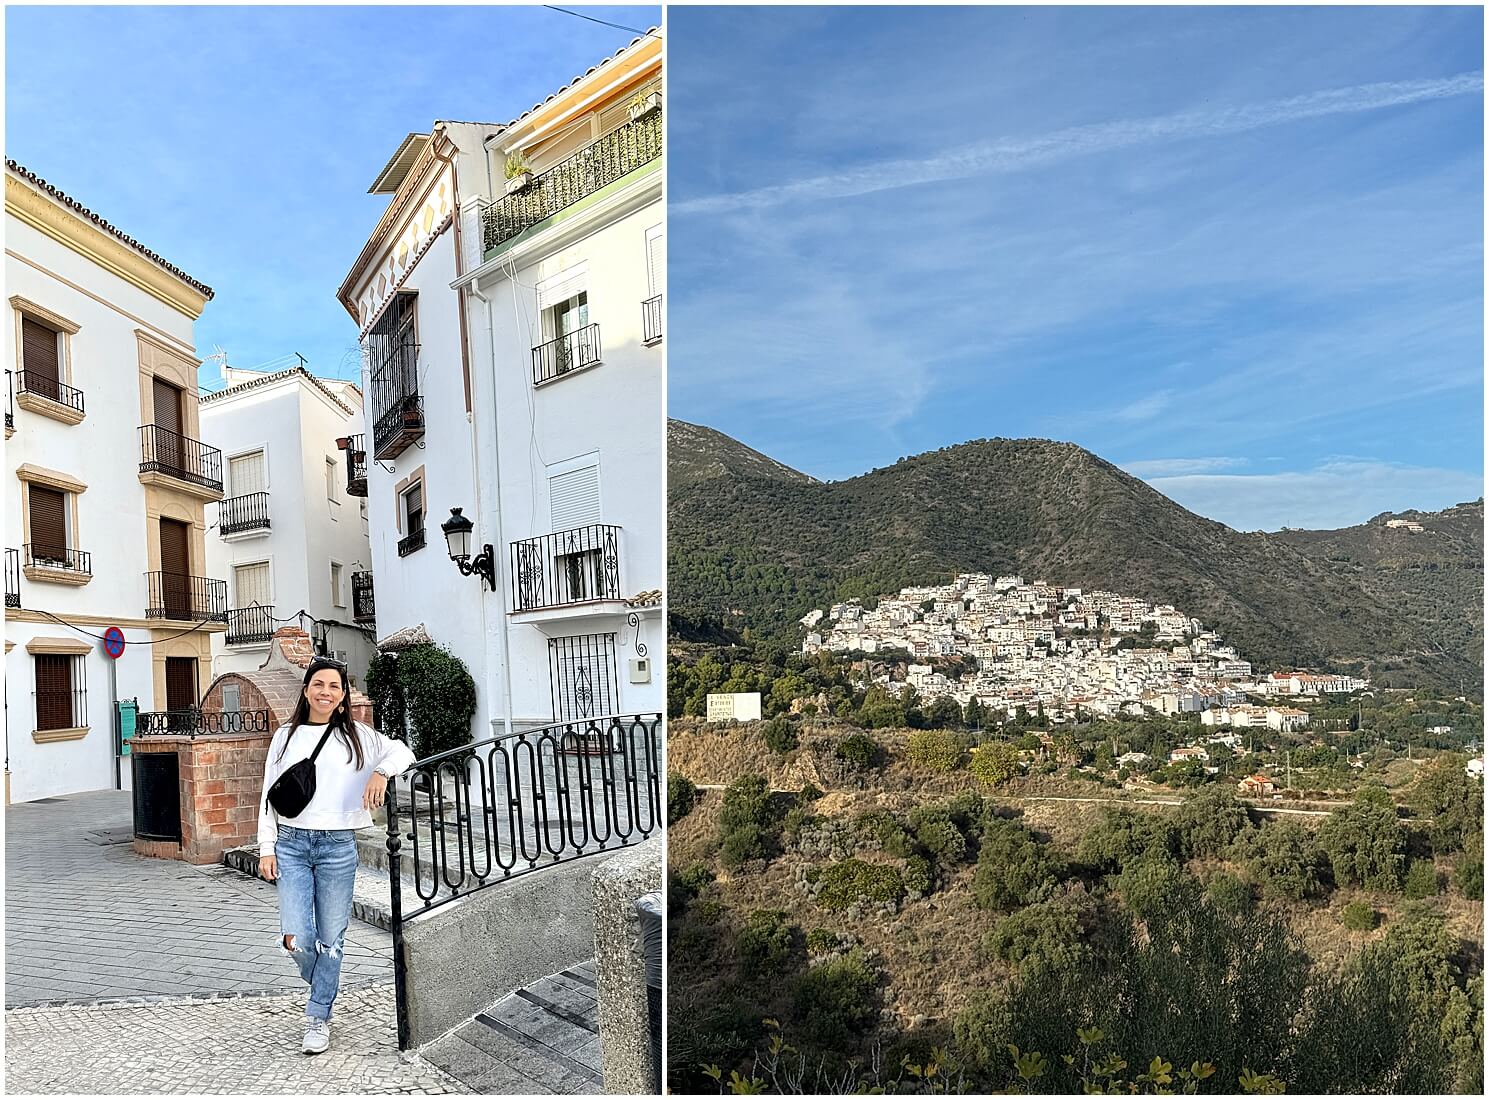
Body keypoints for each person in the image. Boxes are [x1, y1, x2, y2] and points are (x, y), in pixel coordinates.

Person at [257, 657, 416, 1054]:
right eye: (319, 684)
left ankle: (318, 1015)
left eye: (334, 686)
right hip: (291, 843)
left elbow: (403, 751)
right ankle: (325, 985)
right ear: (307, 690)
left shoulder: (358, 736)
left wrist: (381, 773)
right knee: (297, 938)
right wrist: (266, 847)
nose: (326, 692)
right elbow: (267, 796)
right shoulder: (285, 736)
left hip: (337, 847)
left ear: (343, 696)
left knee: (332, 938)